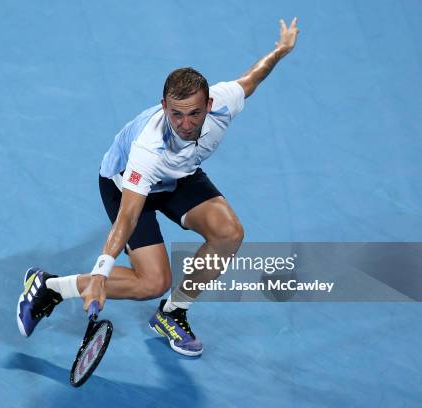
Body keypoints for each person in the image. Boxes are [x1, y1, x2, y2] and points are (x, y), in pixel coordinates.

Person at [17, 18, 300, 356]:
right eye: (176, 114)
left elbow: (253, 77)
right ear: (165, 107)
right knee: (152, 282)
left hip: (179, 176)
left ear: (209, 105)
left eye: (194, 114)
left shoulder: (225, 102)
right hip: (126, 184)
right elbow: (127, 217)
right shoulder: (148, 149)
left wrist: (280, 51)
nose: (184, 124)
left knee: (229, 234)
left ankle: (173, 312)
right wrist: (101, 271)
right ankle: (50, 287)